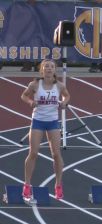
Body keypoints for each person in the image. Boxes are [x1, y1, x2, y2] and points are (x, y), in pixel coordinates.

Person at [20, 59, 70, 200]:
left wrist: (64, 103)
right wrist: (31, 102)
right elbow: (24, 95)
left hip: (53, 122)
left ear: (55, 70)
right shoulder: (35, 84)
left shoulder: (60, 86)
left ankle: (58, 185)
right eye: (46, 66)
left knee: (56, 154)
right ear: (42, 70)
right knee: (33, 152)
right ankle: (27, 185)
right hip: (38, 121)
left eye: (51, 67)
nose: (49, 69)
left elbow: (67, 95)